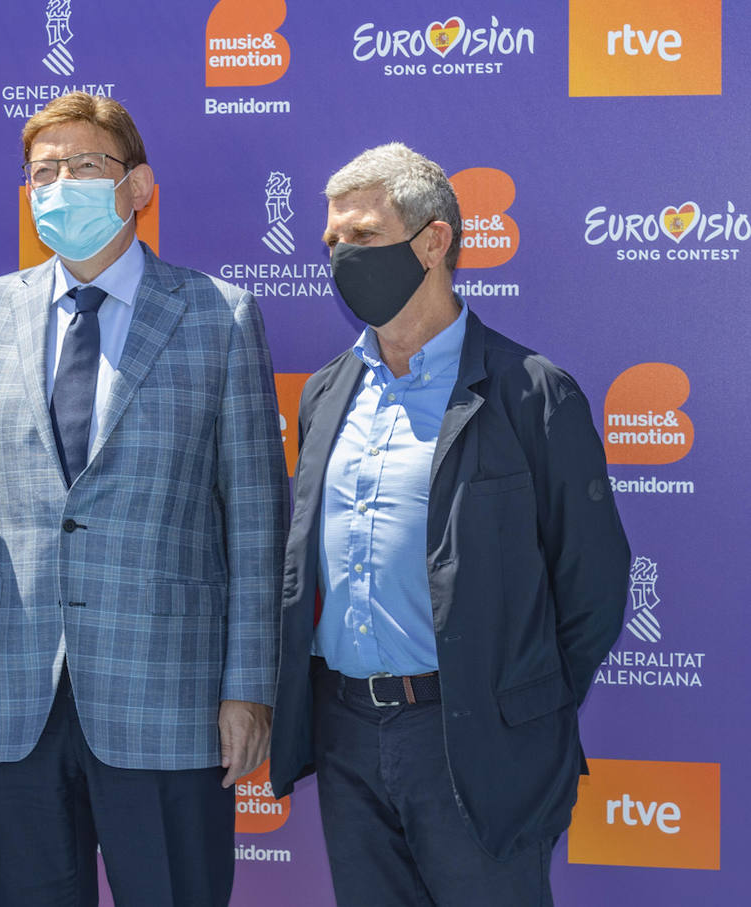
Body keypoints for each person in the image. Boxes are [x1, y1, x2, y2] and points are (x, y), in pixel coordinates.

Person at [0, 92, 288, 906]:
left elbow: (257, 522)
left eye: (85, 165)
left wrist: (248, 685)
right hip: (10, 697)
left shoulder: (217, 317)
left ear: (139, 186)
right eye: (43, 172)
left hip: (171, 701)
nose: (61, 185)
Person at [268, 143, 630, 906]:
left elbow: (592, 582)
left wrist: (518, 710)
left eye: (363, 236)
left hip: (473, 743)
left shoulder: (532, 392)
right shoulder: (328, 392)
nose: (340, 256)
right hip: (348, 737)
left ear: (433, 241)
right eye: (332, 242)